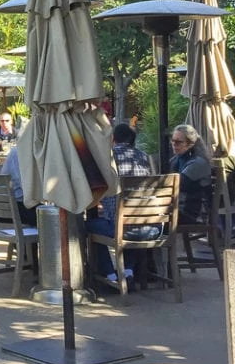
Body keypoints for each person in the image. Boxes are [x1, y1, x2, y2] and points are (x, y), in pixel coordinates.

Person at [86, 122, 154, 284]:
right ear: (133, 140)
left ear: (113, 139)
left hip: (120, 227)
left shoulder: (107, 158)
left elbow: (94, 188)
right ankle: (128, 272)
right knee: (128, 223)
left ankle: (109, 274)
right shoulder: (144, 157)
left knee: (90, 226)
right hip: (148, 225)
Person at [170, 124, 212, 224]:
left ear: (190, 144)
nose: (174, 144)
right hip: (180, 209)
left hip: (195, 214)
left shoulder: (198, 163)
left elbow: (176, 185)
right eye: (173, 141)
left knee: (151, 217)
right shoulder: (176, 160)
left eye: (178, 142)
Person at [0, 138, 38, 227]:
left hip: (8, 206)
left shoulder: (23, 150)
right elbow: (26, 187)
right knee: (51, 217)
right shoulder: (20, 153)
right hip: (9, 210)